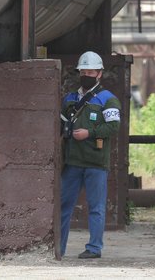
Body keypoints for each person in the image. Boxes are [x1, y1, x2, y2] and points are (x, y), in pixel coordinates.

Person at [59, 50, 121, 259]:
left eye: (91, 71)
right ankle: (59, 248)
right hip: (73, 162)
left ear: (99, 74)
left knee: (96, 208)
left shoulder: (108, 100)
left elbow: (113, 127)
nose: (87, 74)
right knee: (63, 206)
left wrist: (89, 133)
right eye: (83, 71)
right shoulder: (69, 99)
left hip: (96, 162)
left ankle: (94, 248)